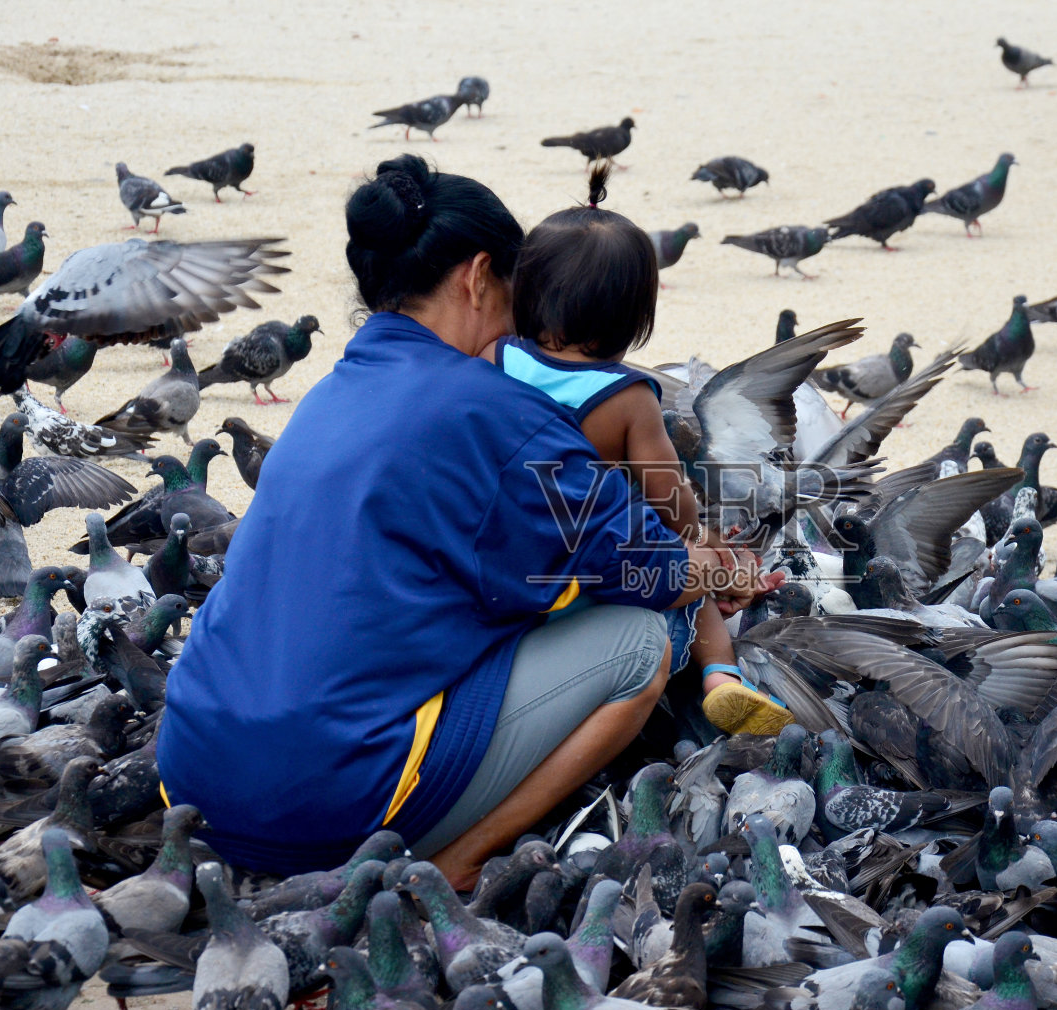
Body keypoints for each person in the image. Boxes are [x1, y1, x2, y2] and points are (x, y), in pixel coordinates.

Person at [155, 156, 767, 888]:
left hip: (195, 777)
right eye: (516, 292)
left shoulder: (331, 393)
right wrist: (719, 569)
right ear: (480, 277)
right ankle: (462, 857)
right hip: (320, 806)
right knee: (639, 643)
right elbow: (653, 570)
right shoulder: (496, 413)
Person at [485, 164, 793, 737]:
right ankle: (721, 676)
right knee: (684, 572)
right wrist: (704, 543)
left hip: (508, 573)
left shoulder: (495, 360)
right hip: (593, 582)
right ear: (635, 317)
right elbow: (669, 496)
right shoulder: (627, 398)